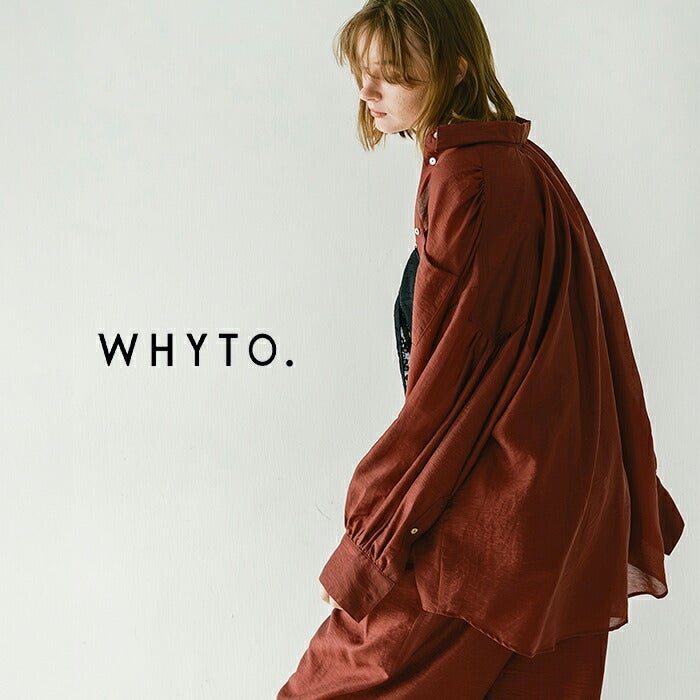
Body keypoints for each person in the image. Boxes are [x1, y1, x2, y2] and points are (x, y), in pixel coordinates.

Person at [278, 1, 685, 698]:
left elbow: (450, 391)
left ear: (456, 69)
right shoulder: (519, 164)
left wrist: (370, 543)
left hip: (489, 527)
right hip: (557, 513)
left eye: (392, 73)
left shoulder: (468, 180)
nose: (368, 91)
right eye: (363, 72)